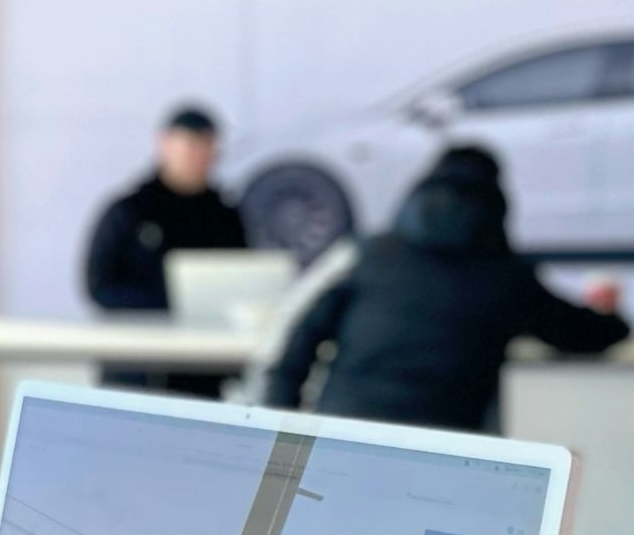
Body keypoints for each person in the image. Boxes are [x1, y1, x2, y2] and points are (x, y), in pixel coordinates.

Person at [265, 146, 629, 431]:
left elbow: (302, 337)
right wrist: (611, 317)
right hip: (447, 445)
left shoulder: (373, 255)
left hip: (346, 427)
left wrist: (281, 422)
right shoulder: (505, 276)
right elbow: (583, 334)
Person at [85, 106, 249, 399]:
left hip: (202, 371)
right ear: (164, 144)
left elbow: (242, 281)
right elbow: (100, 287)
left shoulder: (225, 216)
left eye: (205, 145)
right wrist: (172, 305)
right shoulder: (130, 211)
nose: (196, 154)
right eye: (188, 144)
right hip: (136, 368)